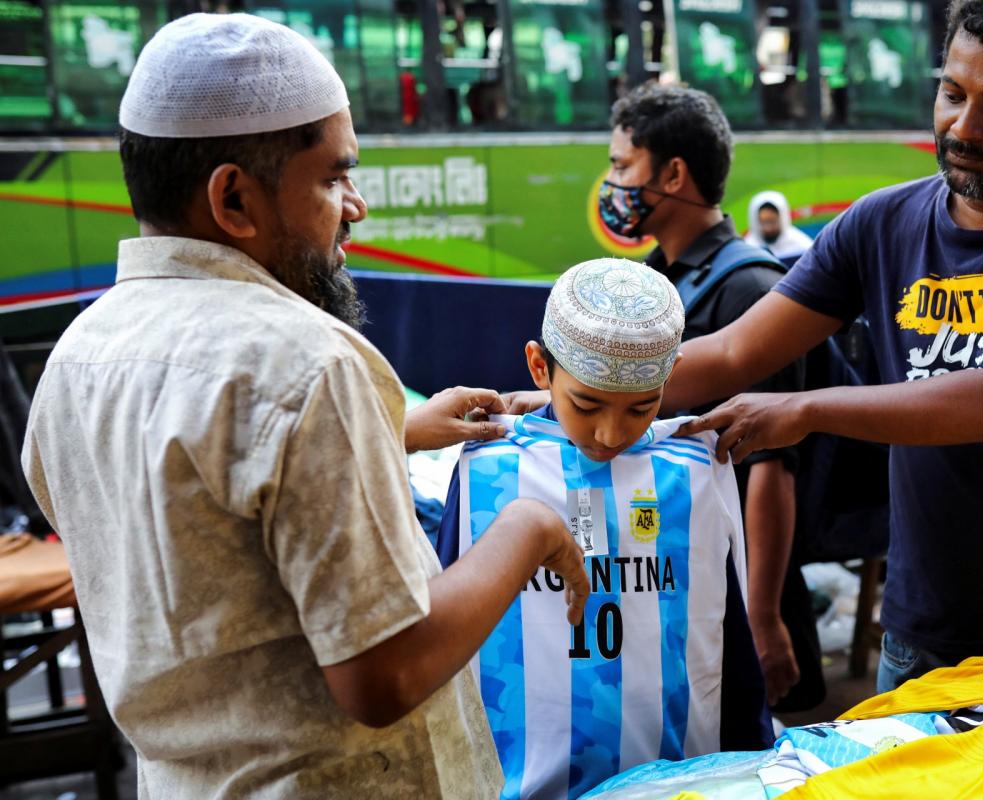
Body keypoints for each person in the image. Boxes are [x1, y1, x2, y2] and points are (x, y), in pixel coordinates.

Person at [20, 14, 588, 798]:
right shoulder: (309, 361)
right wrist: (531, 529)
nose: (354, 207)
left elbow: (201, 529)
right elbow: (384, 673)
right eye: (332, 177)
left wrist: (391, 434)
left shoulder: (79, 357)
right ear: (234, 200)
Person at [670, 0, 983, 692]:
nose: (964, 127)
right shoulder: (881, 221)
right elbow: (729, 356)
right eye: (953, 93)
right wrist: (564, 393)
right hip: (923, 637)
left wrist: (807, 410)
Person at [438, 259, 772, 799]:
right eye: (586, 404)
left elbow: (728, 637)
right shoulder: (487, 470)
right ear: (539, 367)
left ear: (672, 375)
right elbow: (445, 621)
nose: (611, 432)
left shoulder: (695, 469)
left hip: (676, 779)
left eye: (642, 407)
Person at [598, 82, 825, 711]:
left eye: (622, 166)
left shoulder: (752, 288)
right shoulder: (654, 278)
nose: (612, 184)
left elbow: (772, 467)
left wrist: (763, 616)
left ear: (673, 173)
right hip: (679, 567)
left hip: (746, 583)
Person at [745, 190, 814, 266]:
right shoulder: (747, 251)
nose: (768, 228)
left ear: (782, 219)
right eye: (763, 222)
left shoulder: (802, 247)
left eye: (772, 221)